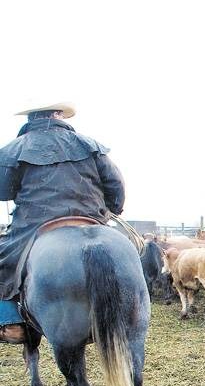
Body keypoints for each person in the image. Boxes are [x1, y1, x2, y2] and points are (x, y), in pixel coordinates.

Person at [0, 102, 125, 343]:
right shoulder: (90, 145)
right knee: (132, 250)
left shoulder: (13, 150)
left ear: (32, 118)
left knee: (2, 261)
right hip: (91, 217)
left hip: (33, 224)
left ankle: (10, 322)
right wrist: (113, 209)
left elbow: (3, 190)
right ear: (58, 115)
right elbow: (115, 184)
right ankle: (135, 308)